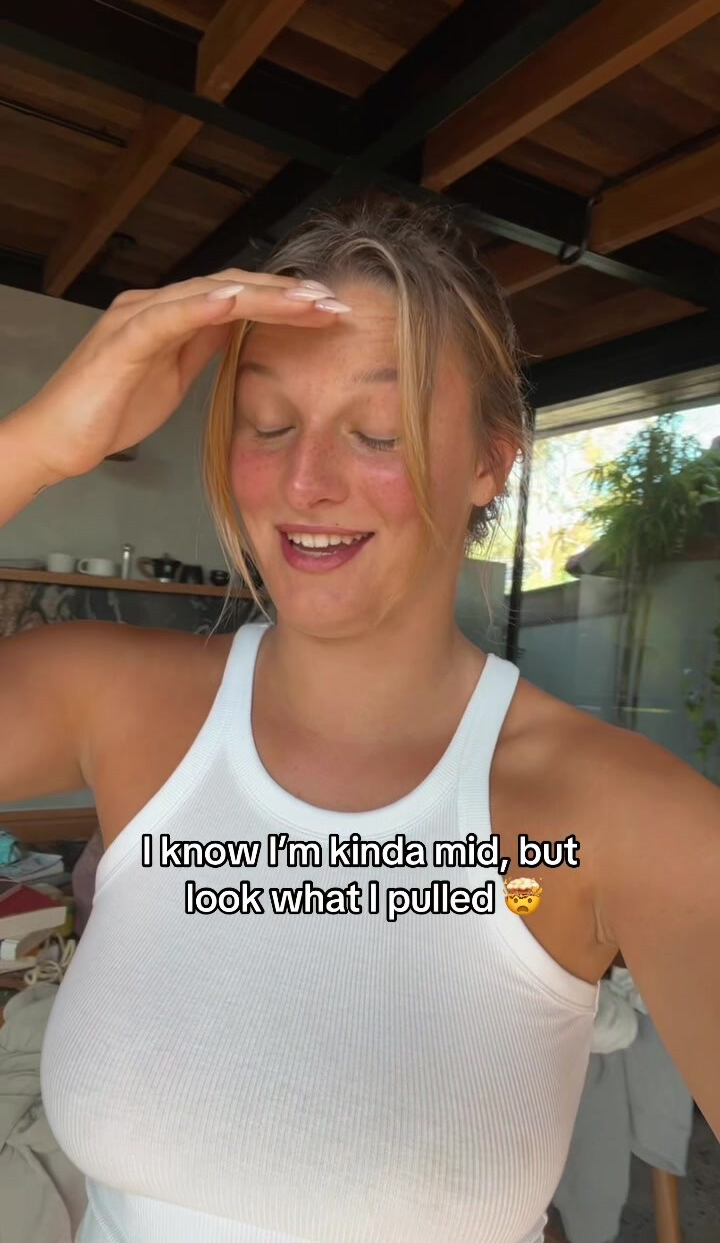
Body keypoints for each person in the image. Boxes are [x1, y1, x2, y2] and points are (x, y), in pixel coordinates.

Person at [0, 196, 717, 1243]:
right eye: (268, 424)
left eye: (375, 432)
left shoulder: (617, 814)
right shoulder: (111, 697)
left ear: (491, 460)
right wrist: (35, 445)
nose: (306, 481)